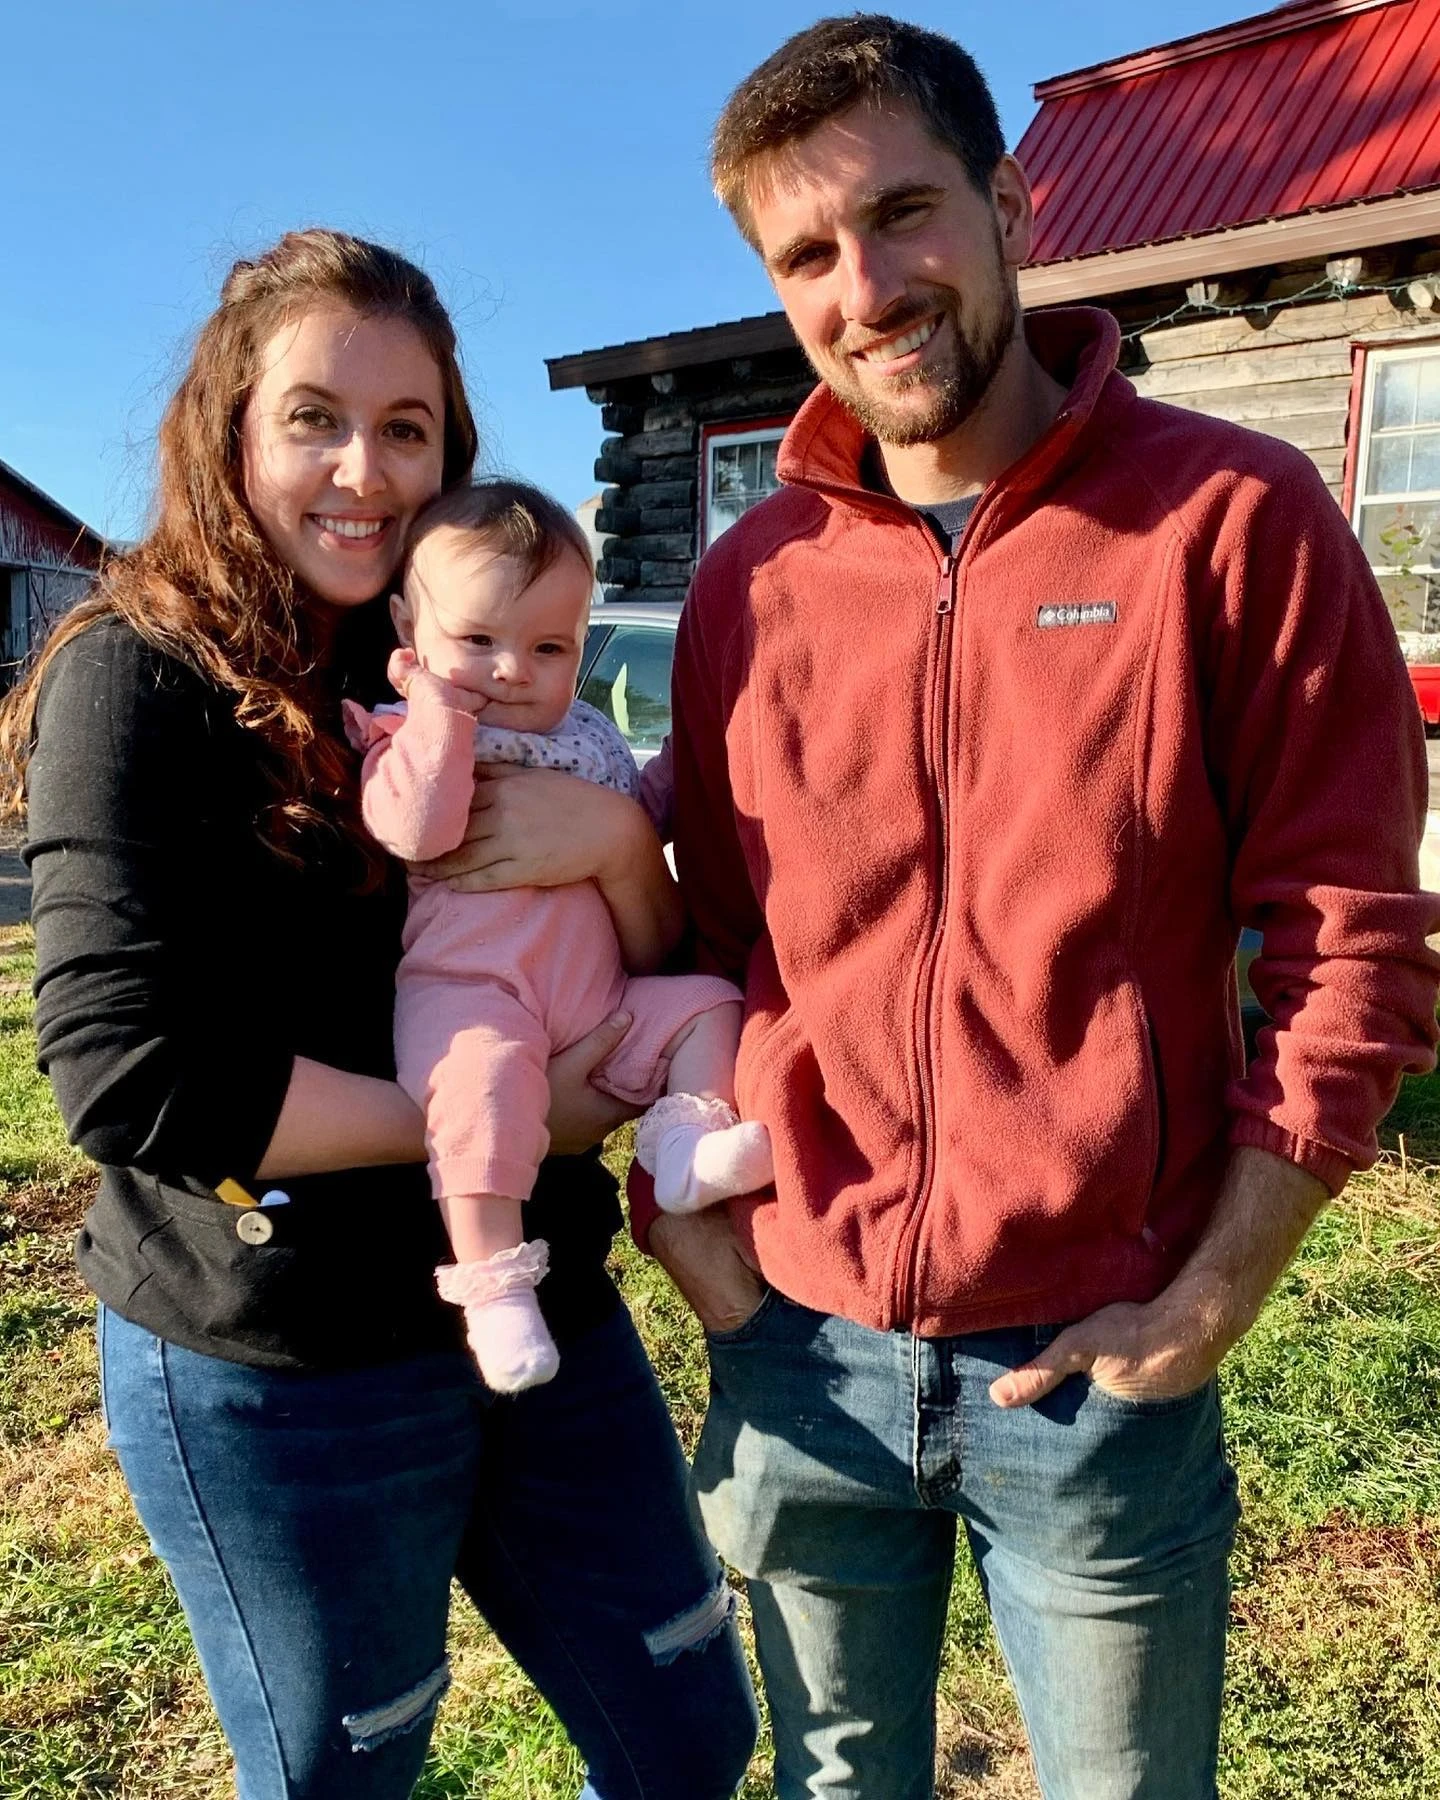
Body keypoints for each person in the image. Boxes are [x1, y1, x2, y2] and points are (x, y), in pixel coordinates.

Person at [631, 17, 1440, 1800]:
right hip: (799, 1355)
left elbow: (1351, 934)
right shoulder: (749, 588)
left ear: (1008, 203)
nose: (868, 287)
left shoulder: (1234, 520)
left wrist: (1217, 1290)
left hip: (1092, 1375)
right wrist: (684, 1234)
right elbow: (694, 944)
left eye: (904, 214)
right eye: (808, 255)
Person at [1, 228, 757, 1800]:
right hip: (283, 1356)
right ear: (231, 429)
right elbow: (128, 1079)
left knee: (689, 1734)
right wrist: (508, 1116)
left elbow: (646, 954)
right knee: (350, 1773)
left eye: (406, 428)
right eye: (315, 420)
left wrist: (619, 847)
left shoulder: (483, 657)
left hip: (539, 1292)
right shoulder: (137, 677)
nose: (365, 469)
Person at [342, 477, 772, 1392]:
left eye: (550, 647)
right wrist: (436, 718)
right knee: (479, 1092)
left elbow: (638, 812)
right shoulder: (401, 735)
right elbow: (416, 829)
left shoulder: (589, 736)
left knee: (710, 1005)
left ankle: (684, 1145)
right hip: (473, 992)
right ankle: (494, 1289)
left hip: (596, 998)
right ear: (407, 634)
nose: (512, 670)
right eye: (477, 642)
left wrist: (677, 781)